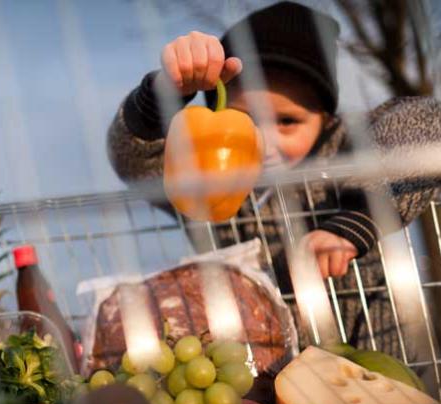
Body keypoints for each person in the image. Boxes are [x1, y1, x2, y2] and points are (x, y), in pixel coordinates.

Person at [107, 1, 441, 356]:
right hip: (259, 374)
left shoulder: (346, 149)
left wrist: (357, 220)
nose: (264, 142)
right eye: (244, 118)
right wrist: (160, 99)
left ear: (327, 120)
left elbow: (427, 124)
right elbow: (132, 158)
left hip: (375, 352)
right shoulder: (204, 171)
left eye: (286, 121)